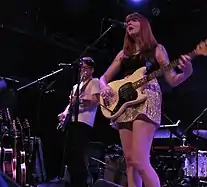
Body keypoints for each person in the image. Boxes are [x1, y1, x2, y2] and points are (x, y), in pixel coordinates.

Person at [100, 12, 193, 187]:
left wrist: (187, 73)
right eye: (127, 21)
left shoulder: (157, 49)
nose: (129, 23)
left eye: (134, 20)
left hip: (147, 97)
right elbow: (103, 78)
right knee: (129, 161)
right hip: (124, 103)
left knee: (139, 161)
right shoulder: (124, 54)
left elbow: (172, 79)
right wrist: (104, 88)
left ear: (144, 25)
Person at [58, 57, 100, 187]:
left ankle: (81, 182)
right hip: (72, 120)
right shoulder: (76, 86)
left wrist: (80, 100)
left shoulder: (95, 82)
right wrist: (64, 113)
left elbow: (95, 101)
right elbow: (71, 104)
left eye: (86, 68)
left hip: (84, 121)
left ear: (92, 70)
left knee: (78, 153)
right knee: (70, 153)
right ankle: (71, 181)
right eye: (82, 68)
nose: (83, 71)